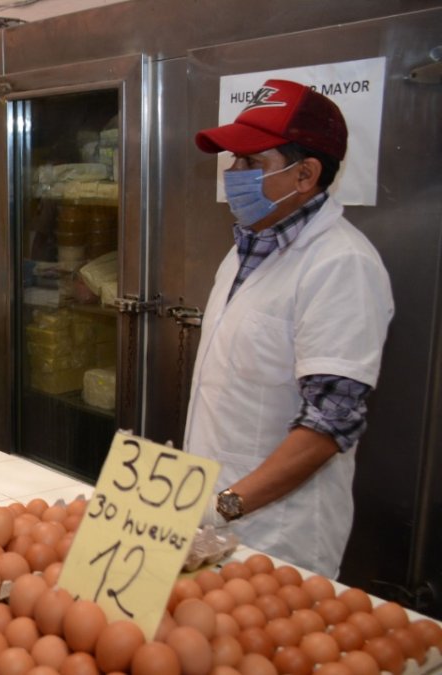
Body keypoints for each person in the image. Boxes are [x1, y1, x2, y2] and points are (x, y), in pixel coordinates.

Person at [188, 79, 393, 578]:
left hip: (276, 538)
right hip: (210, 517)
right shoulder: (244, 250)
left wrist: (227, 506)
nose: (233, 175)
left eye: (251, 164)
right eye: (233, 161)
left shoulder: (341, 265)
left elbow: (328, 426)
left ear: (306, 175)